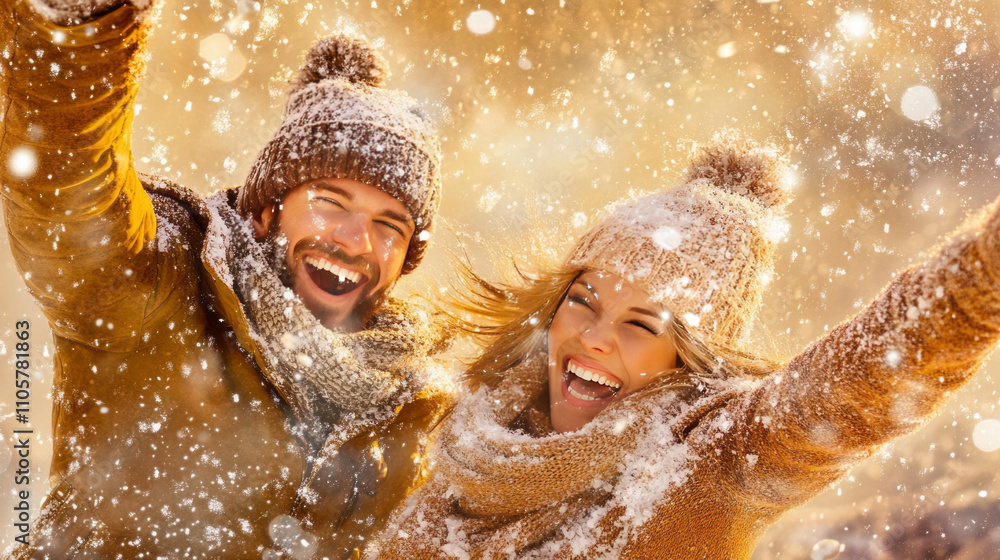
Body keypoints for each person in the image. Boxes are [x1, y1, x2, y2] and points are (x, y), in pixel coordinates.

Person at [368, 135, 1000, 559]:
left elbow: (865, 373)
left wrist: (983, 275)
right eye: (584, 300)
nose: (593, 336)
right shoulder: (469, 433)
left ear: (691, 357)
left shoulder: (706, 465)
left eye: (642, 325)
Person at [0, 0, 451, 558]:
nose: (356, 240)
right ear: (266, 209)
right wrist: (84, 31)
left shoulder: (410, 409)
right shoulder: (158, 284)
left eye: (390, 226)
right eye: (330, 202)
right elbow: (65, 190)